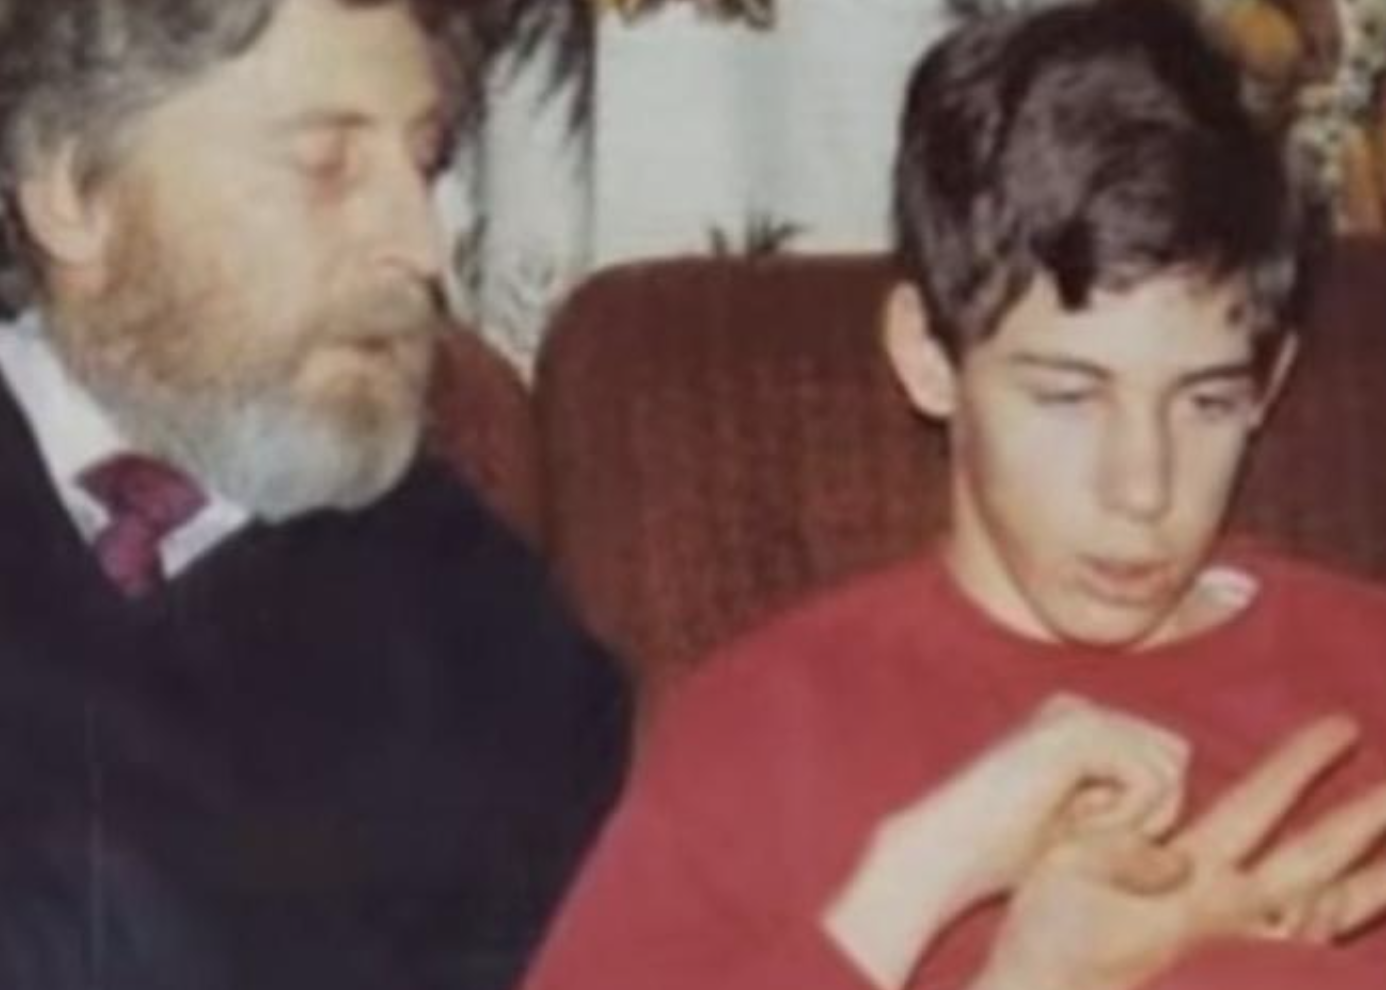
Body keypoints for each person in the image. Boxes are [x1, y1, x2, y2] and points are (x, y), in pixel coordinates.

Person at [518, 1, 1386, 988]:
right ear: (929, 358)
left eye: (1206, 401)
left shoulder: (1367, 662)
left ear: (1269, 385)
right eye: (1068, 396)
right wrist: (944, 901)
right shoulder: (768, 732)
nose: (1142, 489)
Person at [0, 1, 630, 988]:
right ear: (76, 192)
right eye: (326, 165)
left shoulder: (487, 634)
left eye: (425, 165)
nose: (421, 249)